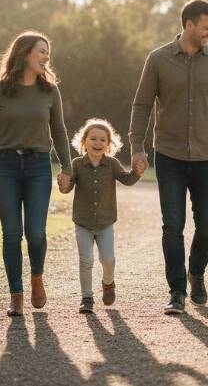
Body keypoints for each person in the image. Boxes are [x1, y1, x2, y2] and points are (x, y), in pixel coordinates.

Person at [129, 0, 208, 315]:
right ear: (189, 25)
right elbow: (141, 105)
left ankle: (196, 273)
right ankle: (177, 291)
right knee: (173, 225)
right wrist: (136, 147)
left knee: (207, 225)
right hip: (169, 155)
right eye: (207, 27)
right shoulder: (158, 60)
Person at [0, 31, 72, 316]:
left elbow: (60, 131)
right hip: (4, 167)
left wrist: (66, 167)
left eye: (47, 52)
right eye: (41, 51)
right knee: (12, 234)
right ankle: (15, 294)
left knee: (37, 234)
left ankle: (37, 278)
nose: (46, 57)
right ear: (25, 53)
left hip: (39, 166)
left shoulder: (50, 91)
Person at [60, 118, 139, 313]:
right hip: (83, 222)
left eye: (102, 140)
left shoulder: (112, 164)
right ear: (84, 141)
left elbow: (127, 180)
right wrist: (63, 184)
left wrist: (136, 172)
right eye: (93, 139)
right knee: (85, 260)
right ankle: (86, 298)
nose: (97, 143)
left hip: (105, 222)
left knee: (108, 259)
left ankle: (108, 283)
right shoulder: (77, 164)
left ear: (108, 144)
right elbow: (68, 187)